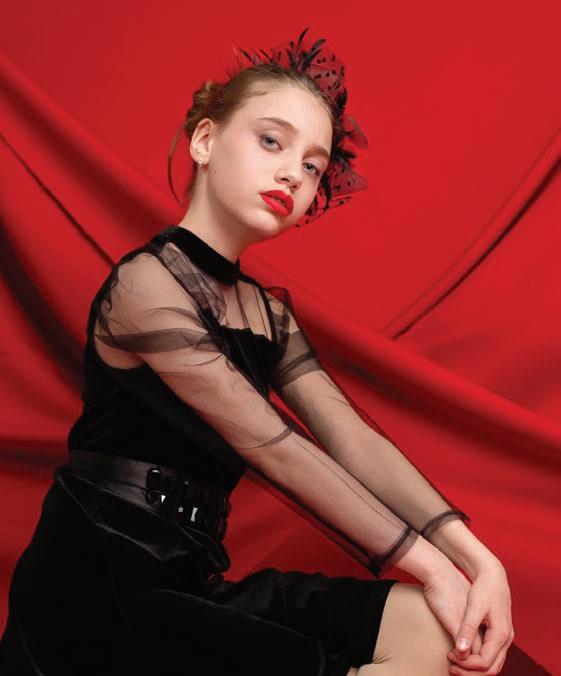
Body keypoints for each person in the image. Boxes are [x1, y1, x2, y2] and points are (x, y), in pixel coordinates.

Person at [0, 27, 513, 676]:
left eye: (312, 166)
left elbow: (351, 440)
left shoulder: (266, 315)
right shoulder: (144, 287)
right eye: (272, 141)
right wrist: (432, 566)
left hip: (190, 577)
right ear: (204, 141)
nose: (292, 173)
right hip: (100, 588)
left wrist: (478, 561)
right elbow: (272, 443)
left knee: (436, 632)